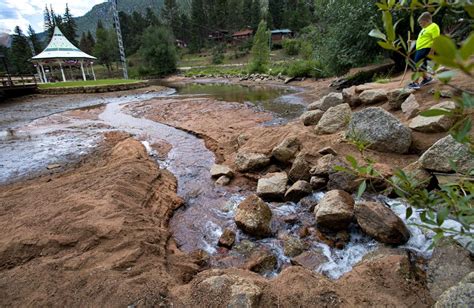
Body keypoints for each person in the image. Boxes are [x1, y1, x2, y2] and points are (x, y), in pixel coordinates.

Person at [408, 12, 440, 90]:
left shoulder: (433, 26)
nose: (420, 25)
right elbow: (422, 40)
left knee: (417, 65)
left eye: (421, 23)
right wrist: (411, 42)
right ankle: (426, 79)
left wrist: (432, 51)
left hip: (426, 49)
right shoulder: (424, 29)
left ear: (427, 20)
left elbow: (436, 40)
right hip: (420, 49)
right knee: (420, 65)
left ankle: (415, 83)